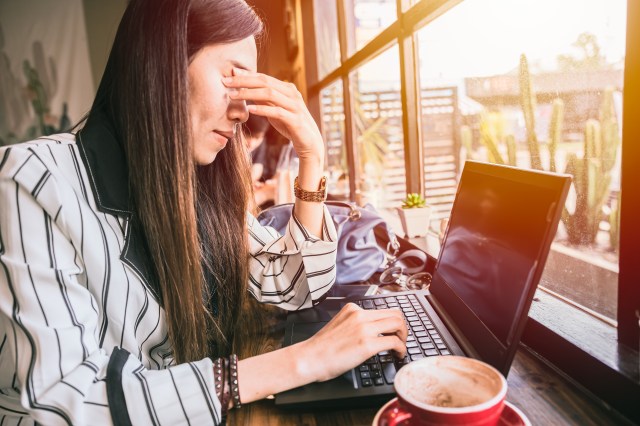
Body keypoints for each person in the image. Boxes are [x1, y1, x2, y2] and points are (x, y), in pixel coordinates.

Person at [0, 0, 407, 424]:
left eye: (250, 90)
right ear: (163, 62)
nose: (243, 112)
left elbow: (291, 285)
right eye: (233, 79)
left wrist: (312, 156)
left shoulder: (194, 181)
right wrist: (300, 362)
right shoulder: (31, 179)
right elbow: (67, 403)